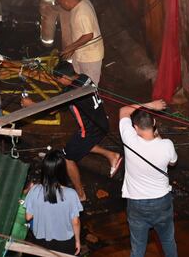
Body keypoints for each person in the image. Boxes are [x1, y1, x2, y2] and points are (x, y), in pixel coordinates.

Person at [22, 61, 122, 202]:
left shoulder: (70, 93)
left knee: (67, 157)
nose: (58, 82)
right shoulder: (84, 77)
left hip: (89, 130)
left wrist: (30, 104)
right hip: (101, 121)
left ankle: (81, 194)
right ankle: (112, 155)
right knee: (81, 144)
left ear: (64, 77)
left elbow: (51, 110)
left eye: (58, 79)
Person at [118, 99, 178, 257]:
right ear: (155, 123)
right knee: (168, 240)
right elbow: (173, 163)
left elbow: (124, 110)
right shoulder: (167, 144)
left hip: (137, 203)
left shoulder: (129, 140)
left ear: (135, 128)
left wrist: (150, 105)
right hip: (162, 201)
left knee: (138, 247)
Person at [24, 149, 84, 255]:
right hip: (65, 242)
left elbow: (28, 217)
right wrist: (77, 241)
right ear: (62, 171)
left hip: (41, 242)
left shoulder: (35, 190)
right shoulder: (71, 194)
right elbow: (75, 222)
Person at [56, 0, 104, 84]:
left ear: (65, 1)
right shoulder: (83, 1)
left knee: (90, 85)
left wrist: (70, 47)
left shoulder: (81, 13)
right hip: (82, 53)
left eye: (61, 4)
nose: (61, 7)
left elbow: (88, 35)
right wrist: (73, 49)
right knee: (80, 83)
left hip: (90, 56)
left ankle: (94, 99)